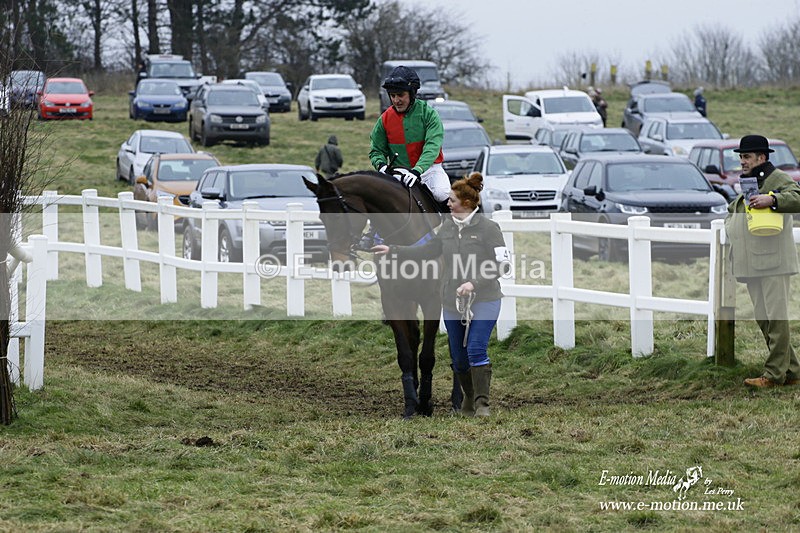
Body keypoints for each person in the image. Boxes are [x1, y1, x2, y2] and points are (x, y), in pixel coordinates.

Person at [372, 172, 509, 416]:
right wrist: (393, 249)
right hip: (452, 300)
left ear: (466, 203)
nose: (447, 204)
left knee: (476, 348)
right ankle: (467, 400)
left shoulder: (489, 228)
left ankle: (482, 404)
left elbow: (503, 265)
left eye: (452, 201)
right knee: (458, 358)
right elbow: (427, 251)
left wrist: (473, 283)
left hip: (484, 298)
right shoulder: (446, 228)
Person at [724, 134, 800, 387]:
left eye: (746, 157)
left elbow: (798, 197)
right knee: (764, 318)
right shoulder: (748, 182)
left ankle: (773, 375)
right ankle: (791, 371)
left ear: (761, 157)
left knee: (776, 319)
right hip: (753, 263)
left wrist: (774, 199)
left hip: (774, 263)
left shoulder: (778, 179)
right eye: (741, 157)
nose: (742, 162)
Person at [369, 65, 450, 206]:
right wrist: (381, 166)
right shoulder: (384, 119)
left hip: (429, 170)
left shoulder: (429, 114)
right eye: (392, 96)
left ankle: (449, 225)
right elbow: (376, 150)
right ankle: (375, 228)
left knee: (441, 193)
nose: (396, 100)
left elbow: (432, 147)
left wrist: (417, 170)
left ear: (412, 93)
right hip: (398, 172)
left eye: (400, 95)